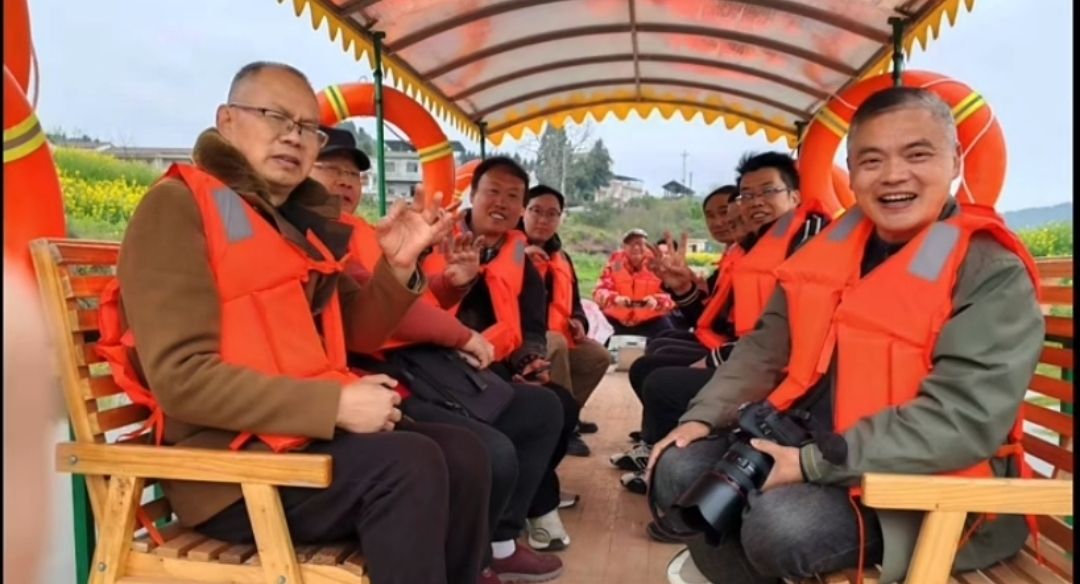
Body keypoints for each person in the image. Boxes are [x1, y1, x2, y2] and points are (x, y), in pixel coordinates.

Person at [103, 61, 492, 584]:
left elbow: (357, 334)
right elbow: (181, 379)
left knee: (466, 454)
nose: (294, 136)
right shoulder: (177, 207)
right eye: (275, 116)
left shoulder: (296, 225)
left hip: (297, 443)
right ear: (227, 120)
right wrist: (336, 405)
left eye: (309, 127)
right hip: (228, 472)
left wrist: (397, 267)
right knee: (408, 466)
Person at [650, 86, 1044, 584]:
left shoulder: (989, 270)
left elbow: (963, 419)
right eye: (872, 160)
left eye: (917, 154)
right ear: (852, 172)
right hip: (806, 443)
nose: (894, 175)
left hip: (923, 485)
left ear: (955, 161)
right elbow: (765, 348)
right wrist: (702, 418)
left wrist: (810, 464)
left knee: (780, 526)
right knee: (678, 467)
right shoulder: (830, 251)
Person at [310, 131, 566, 582]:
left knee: (546, 409)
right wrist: (463, 335)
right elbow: (377, 317)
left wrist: (453, 286)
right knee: (488, 451)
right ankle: (476, 559)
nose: (346, 181)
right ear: (473, 196)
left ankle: (501, 542)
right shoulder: (329, 236)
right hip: (383, 370)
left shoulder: (360, 232)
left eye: (353, 173)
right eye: (332, 170)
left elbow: (410, 302)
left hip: (433, 359)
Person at [613, 154, 831, 497]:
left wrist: (716, 358)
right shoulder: (753, 250)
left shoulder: (810, 242)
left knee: (660, 379)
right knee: (658, 353)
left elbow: (782, 337)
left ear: (794, 196)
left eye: (768, 191)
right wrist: (681, 287)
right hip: (750, 359)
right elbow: (716, 318)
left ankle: (663, 451)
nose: (754, 204)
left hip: (783, 378)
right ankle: (660, 445)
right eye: (748, 195)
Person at [434, 156, 580, 560]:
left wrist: (529, 360)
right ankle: (535, 510)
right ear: (472, 195)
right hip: (439, 361)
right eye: (493, 192)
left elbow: (532, 325)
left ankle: (521, 508)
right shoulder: (435, 238)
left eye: (512, 196)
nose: (501, 203)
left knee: (561, 406)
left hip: (494, 364)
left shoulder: (520, 259)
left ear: (519, 208)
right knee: (534, 413)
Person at [521, 184, 611, 446]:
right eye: (536, 211)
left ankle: (569, 414)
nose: (543, 219)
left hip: (557, 334)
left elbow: (576, 304)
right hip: (521, 339)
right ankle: (562, 427)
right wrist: (521, 263)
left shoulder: (563, 258)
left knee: (598, 356)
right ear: (523, 212)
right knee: (557, 343)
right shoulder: (508, 251)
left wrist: (579, 322)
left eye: (552, 214)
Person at [594, 228, 676, 339]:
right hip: (616, 321)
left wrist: (657, 301)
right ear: (624, 247)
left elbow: (672, 296)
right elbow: (598, 292)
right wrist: (615, 299)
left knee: (670, 340)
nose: (636, 247)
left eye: (640, 244)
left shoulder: (656, 264)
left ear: (646, 246)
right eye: (631, 244)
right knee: (597, 339)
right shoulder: (615, 263)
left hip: (651, 321)